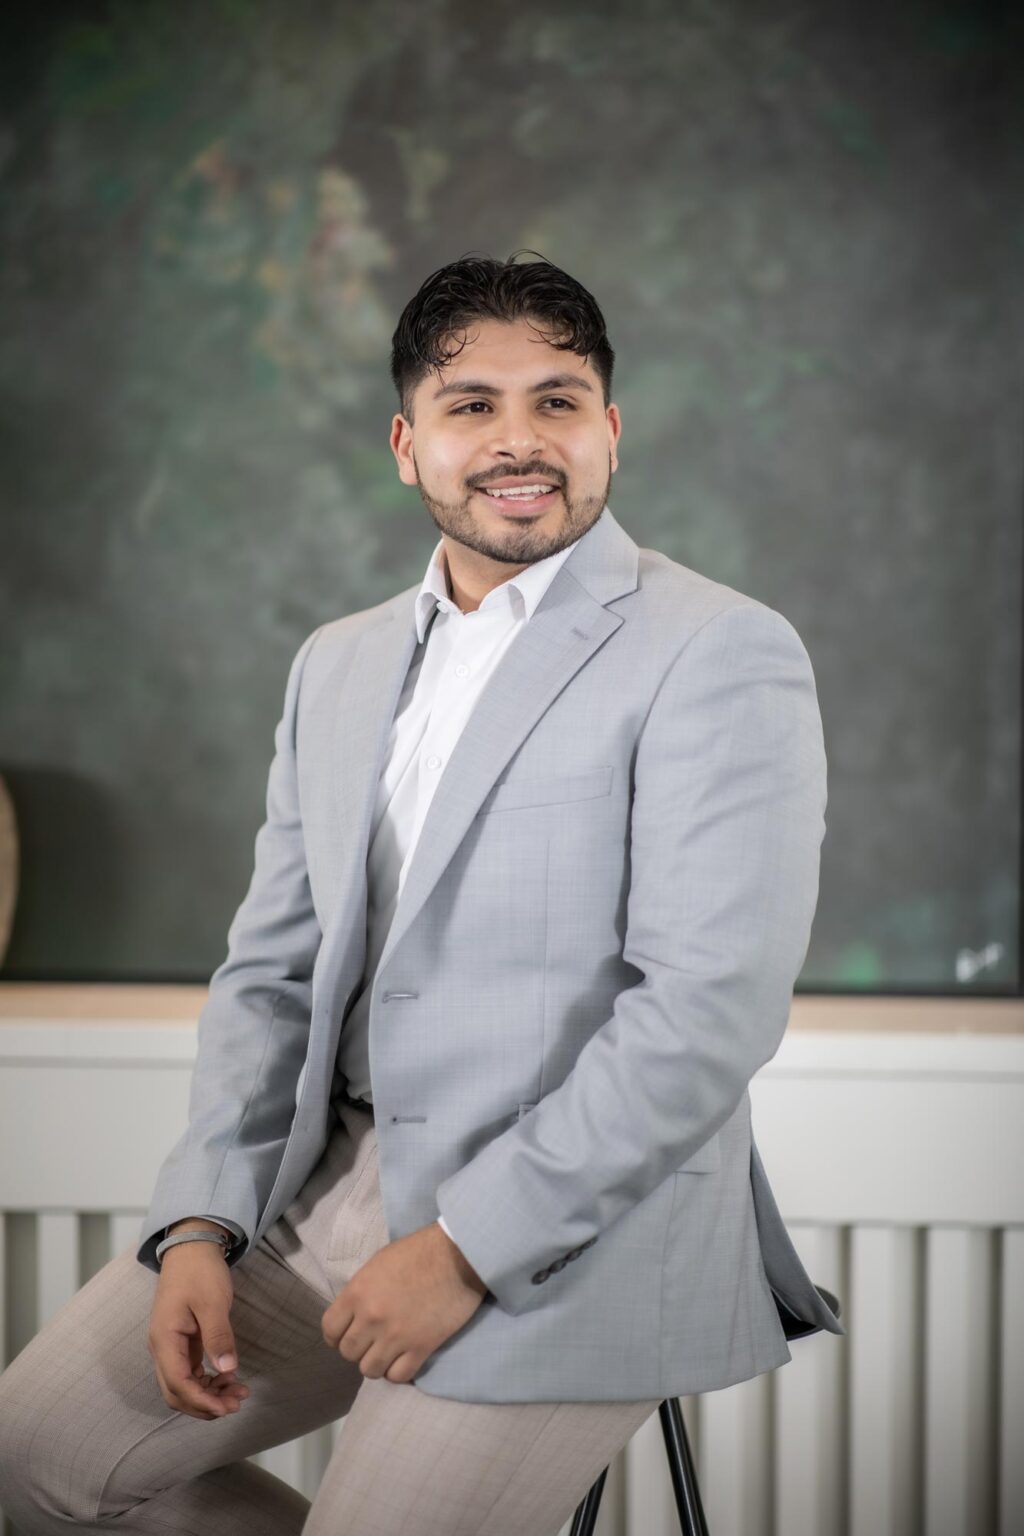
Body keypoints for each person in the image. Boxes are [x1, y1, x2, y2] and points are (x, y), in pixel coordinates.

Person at [0, 252, 843, 1535]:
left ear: (611, 429)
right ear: (408, 446)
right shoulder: (333, 664)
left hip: (568, 1234)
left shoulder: (719, 648)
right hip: (315, 1194)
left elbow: (706, 1012)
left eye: (557, 401)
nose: (519, 440)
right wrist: (198, 1223)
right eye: (471, 405)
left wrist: (465, 1248)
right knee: (26, 1464)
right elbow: (272, 974)